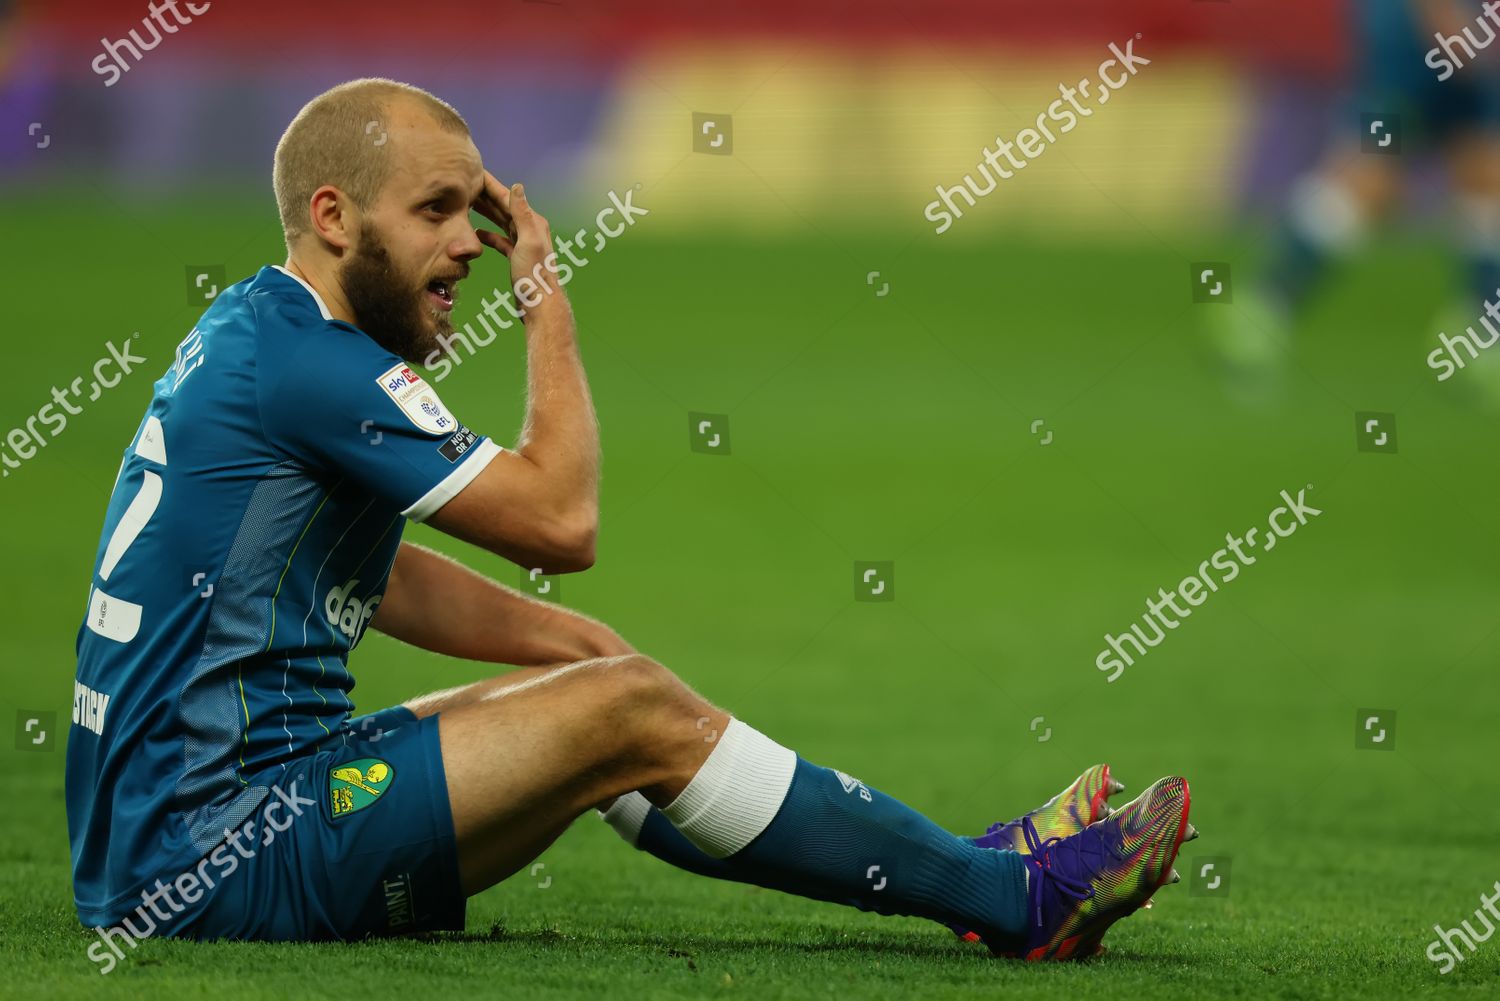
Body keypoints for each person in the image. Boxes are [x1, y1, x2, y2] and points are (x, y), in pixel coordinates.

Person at [67, 78, 1194, 966]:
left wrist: (573, 647)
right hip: (209, 855)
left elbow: (362, 572)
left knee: (605, 688)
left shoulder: (259, 328)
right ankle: (1014, 899)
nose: (469, 240)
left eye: (477, 209)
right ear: (331, 216)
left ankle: (952, 864)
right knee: (619, 709)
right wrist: (544, 291)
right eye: (436, 211)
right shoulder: (316, 364)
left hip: (192, 829)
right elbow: (562, 517)